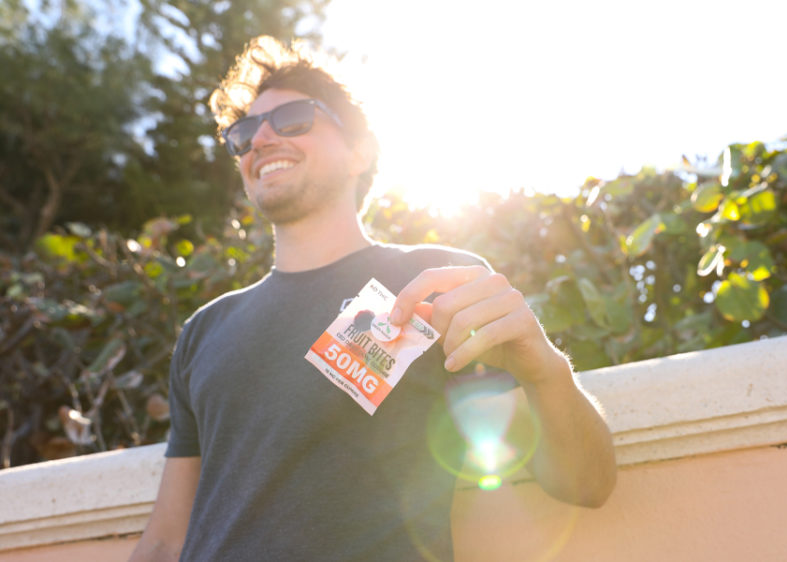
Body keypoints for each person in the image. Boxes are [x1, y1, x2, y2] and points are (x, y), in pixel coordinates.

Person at [130, 35, 616, 562]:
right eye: (243, 133)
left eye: (292, 119)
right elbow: (166, 539)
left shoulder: (438, 281)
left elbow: (585, 485)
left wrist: (545, 369)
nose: (261, 139)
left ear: (358, 151)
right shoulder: (205, 329)